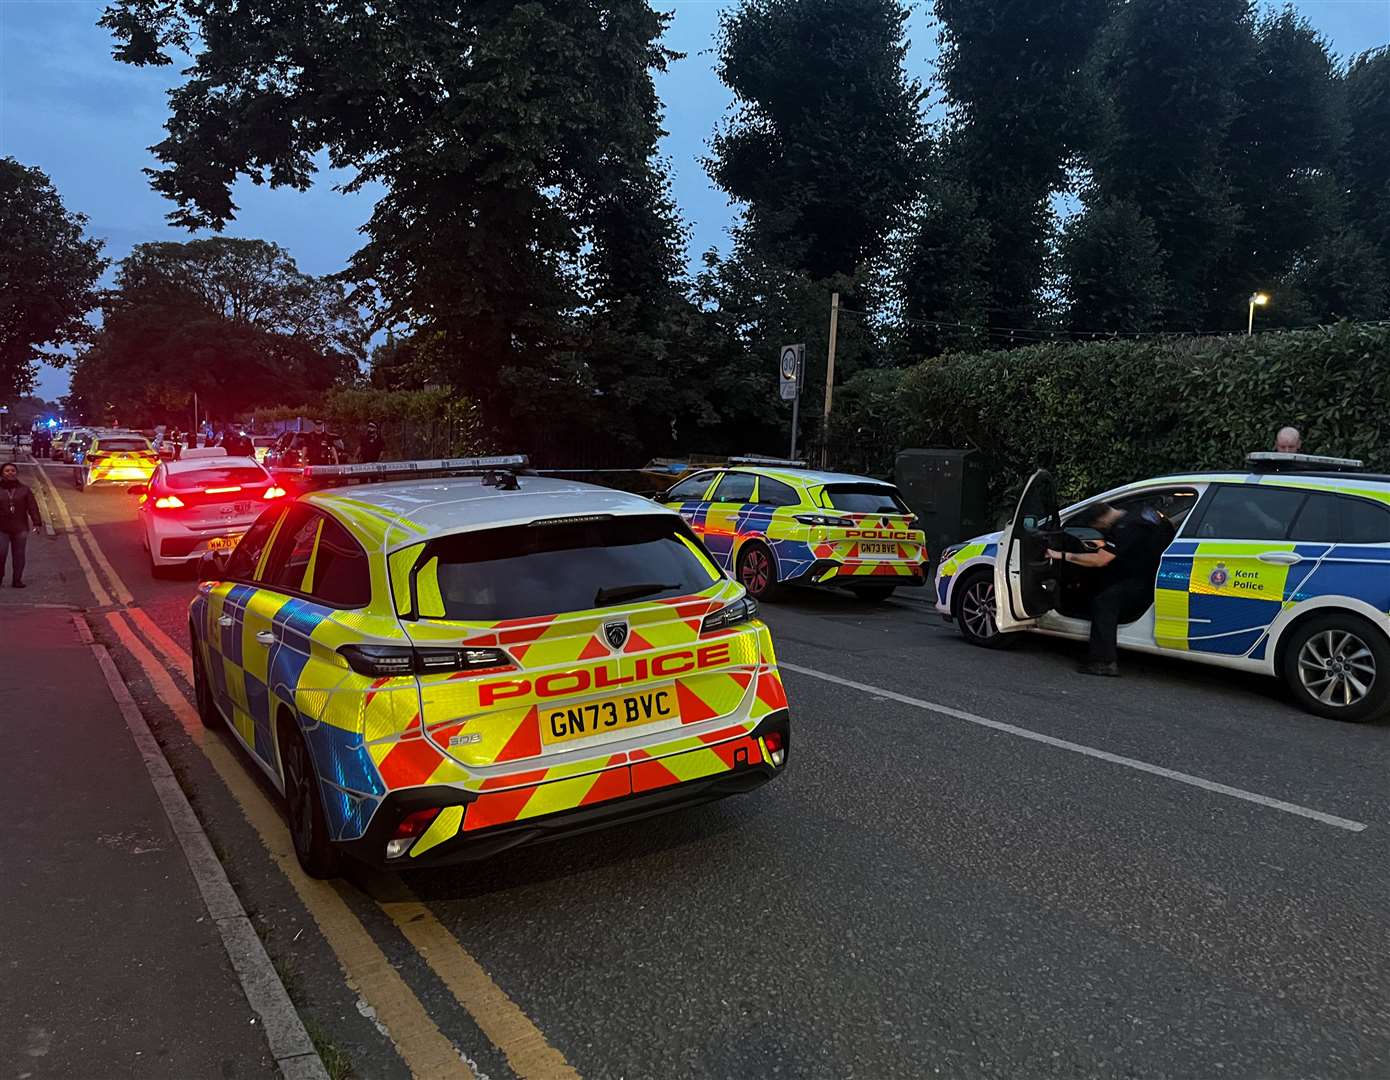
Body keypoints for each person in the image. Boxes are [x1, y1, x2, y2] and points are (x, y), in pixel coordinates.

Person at [1046, 502, 1173, 677]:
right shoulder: (1143, 511)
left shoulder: (1123, 527)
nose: (1102, 529)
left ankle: (1103, 662)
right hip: (1155, 573)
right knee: (1103, 586)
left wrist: (1060, 555)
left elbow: (1100, 560)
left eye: (1098, 526)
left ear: (1101, 520)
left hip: (1139, 581)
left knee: (1104, 603)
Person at [1, 461, 44, 588]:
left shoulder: (24, 489)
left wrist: (37, 523)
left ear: (16, 473)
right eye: (7, 471)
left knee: (19, 555)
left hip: (20, 527)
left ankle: (17, 580)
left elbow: (32, 507)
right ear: (2, 473)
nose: (10, 473)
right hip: (1, 527)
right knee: (1, 554)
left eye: (13, 471)